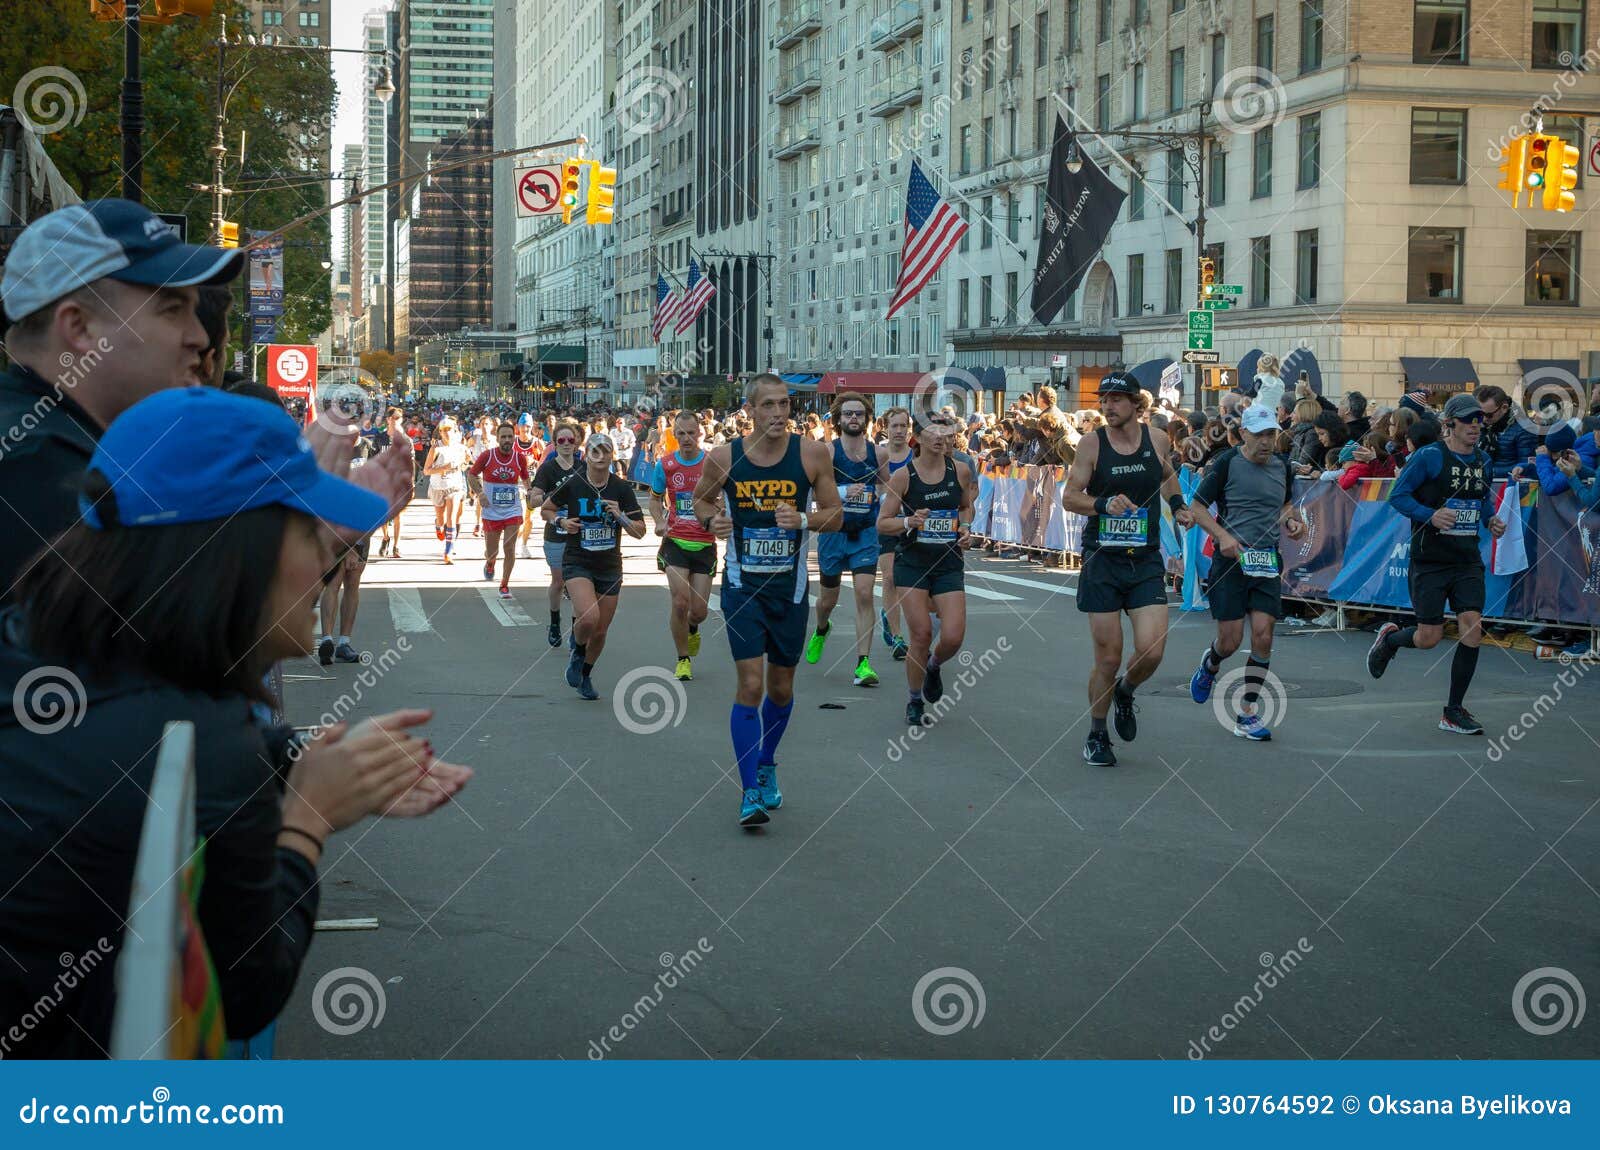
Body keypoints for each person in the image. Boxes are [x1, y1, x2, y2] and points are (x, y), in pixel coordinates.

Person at [0, 387, 470, 1057]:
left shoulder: (44, 645)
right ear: (236, 553)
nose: (325, 567)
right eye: (312, 538)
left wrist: (288, 755)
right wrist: (309, 814)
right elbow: (249, 985)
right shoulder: (204, 741)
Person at [0, 199, 244, 598]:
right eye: (171, 310)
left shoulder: (64, 448)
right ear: (80, 327)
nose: (199, 338)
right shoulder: (34, 470)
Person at [693, 374, 844, 828]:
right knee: (751, 686)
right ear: (750, 411)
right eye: (769, 406)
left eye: (785, 405)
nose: (779, 414)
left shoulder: (812, 453)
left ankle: (767, 761)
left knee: (780, 688)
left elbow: (836, 516)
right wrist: (713, 522)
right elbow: (699, 503)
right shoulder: (724, 457)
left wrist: (803, 518)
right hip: (742, 586)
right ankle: (749, 792)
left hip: (790, 589)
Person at [1061, 373, 1192, 767]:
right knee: (1108, 657)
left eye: (1117, 399)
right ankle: (1097, 733)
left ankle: (1126, 690)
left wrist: (1180, 503)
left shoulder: (1157, 439)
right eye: (1104, 399)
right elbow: (1070, 497)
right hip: (1103, 560)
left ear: (1137, 405)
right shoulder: (1091, 443)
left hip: (1145, 558)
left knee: (1152, 649)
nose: (1107, 406)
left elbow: (1166, 475)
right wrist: (1103, 505)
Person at [1367, 393, 1506, 735]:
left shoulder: (1483, 461)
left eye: (1479, 420)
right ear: (1449, 425)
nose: (1475, 425)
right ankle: (1390, 640)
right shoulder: (1430, 457)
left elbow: (1481, 498)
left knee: (1472, 626)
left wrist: (1490, 520)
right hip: (1430, 558)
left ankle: (1453, 710)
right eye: (1467, 420)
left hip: (1466, 559)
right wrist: (1431, 515)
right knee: (1429, 637)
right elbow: (1398, 495)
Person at [1185, 406, 1305, 740]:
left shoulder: (1282, 466)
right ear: (1244, 435)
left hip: (1266, 559)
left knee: (1264, 634)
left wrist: (1293, 522)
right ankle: (1211, 661)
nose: (1267, 442)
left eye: (1272, 434)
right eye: (1261, 435)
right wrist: (1222, 536)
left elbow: (1284, 506)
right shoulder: (1226, 463)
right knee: (1231, 639)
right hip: (1231, 562)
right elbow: (1196, 508)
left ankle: (1248, 712)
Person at [877, 413, 975, 728]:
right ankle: (915, 699)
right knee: (920, 633)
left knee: (954, 635)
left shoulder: (959, 471)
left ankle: (934, 665)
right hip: (913, 562)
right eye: (932, 431)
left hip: (947, 561)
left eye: (945, 432)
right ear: (917, 436)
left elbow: (965, 506)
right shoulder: (904, 477)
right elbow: (883, 522)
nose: (939, 437)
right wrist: (909, 522)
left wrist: (967, 527)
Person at [545, 433, 647, 700]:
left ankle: (586, 675)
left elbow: (640, 532)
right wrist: (561, 523)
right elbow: (546, 509)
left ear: (612, 455)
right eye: (595, 451)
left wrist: (621, 516)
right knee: (589, 617)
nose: (601, 456)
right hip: (578, 559)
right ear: (586, 454)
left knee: (601, 630)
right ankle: (578, 651)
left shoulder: (621, 488)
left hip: (609, 565)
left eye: (606, 451)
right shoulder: (573, 483)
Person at [805, 392, 887, 688]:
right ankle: (822, 628)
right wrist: (842, 493)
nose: (854, 418)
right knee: (828, 600)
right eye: (848, 414)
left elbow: (886, 487)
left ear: (867, 419)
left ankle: (862, 663)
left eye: (859, 414)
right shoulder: (827, 451)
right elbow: (813, 493)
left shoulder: (879, 454)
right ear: (838, 419)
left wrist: (884, 507)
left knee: (865, 593)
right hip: (833, 532)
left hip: (865, 533)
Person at [649, 411, 717, 681]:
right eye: (681, 434)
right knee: (679, 602)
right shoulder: (664, 465)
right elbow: (655, 501)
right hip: (675, 541)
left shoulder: (712, 464)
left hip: (704, 544)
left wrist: (720, 517)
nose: (687, 438)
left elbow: (723, 499)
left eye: (692, 433)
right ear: (674, 436)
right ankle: (682, 659)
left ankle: (692, 629)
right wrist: (658, 520)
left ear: (700, 434)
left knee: (698, 611)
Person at [529, 420, 584, 646]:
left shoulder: (583, 467)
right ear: (554, 443)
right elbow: (533, 501)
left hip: (579, 532)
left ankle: (574, 630)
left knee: (575, 583)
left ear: (576, 442)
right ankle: (554, 620)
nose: (566, 444)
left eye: (570, 440)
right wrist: (553, 495)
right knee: (559, 581)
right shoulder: (548, 468)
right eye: (561, 440)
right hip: (555, 531)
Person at [471, 422, 531, 600]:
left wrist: (530, 492)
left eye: (510, 437)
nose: (506, 440)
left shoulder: (519, 458)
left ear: (514, 438)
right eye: (503, 437)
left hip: (512, 509)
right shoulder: (487, 456)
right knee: (492, 552)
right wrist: (480, 493)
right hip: (491, 510)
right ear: (497, 439)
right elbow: (471, 475)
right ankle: (490, 563)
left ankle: (504, 584)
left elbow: (526, 479)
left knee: (509, 547)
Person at [875, 407, 914, 661]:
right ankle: (899, 637)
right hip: (887, 523)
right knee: (889, 578)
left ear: (909, 429)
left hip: (914, 524)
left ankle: (890, 615)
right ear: (886, 428)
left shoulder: (917, 455)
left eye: (903, 426)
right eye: (894, 426)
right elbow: (875, 489)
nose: (899, 431)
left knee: (909, 582)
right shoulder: (879, 457)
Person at [423, 418, 469, 563]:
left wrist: (466, 461)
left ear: (456, 431)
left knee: (452, 518)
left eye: (450, 430)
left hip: (454, 486)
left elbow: (464, 465)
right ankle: (438, 523)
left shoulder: (461, 448)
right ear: (440, 432)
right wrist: (444, 468)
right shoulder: (436, 448)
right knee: (442, 519)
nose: (448, 433)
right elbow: (426, 471)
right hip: (437, 487)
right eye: (444, 430)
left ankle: (448, 551)